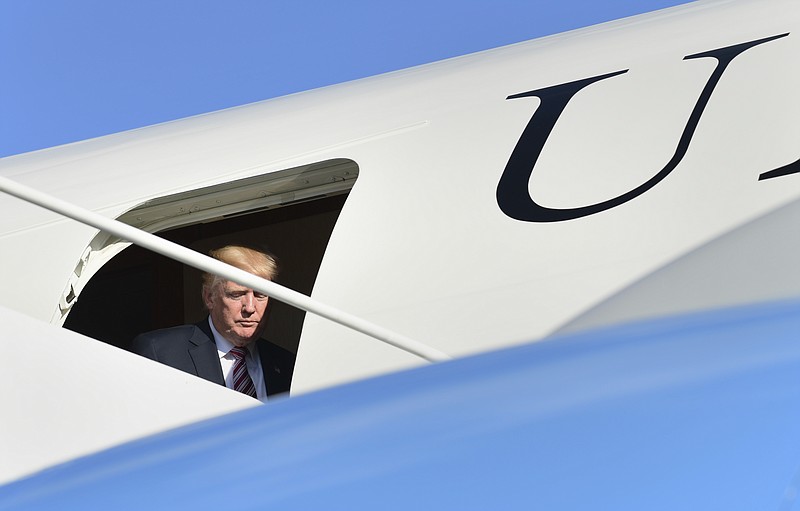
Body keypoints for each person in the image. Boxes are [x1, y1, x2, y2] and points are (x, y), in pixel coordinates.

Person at [131, 245, 294, 401]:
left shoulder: (287, 364)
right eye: (236, 294)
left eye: (261, 295)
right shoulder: (160, 352)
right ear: (209, 297)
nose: (250, 307)